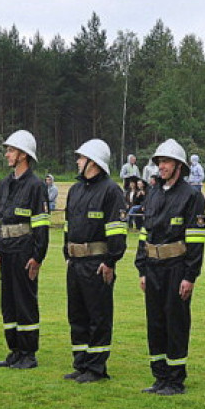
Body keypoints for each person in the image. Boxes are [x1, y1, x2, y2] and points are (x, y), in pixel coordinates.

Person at [135, 138, 205, 395]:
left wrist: (190, 276)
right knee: (155, 322)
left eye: (165, 162)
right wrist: (141, 268)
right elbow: (145, 232)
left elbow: (196, 241)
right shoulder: (153, 193)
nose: (160, 166)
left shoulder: (192, 197)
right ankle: (160, 376)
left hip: (177, 268)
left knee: (175, 321)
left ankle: (175, 379)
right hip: (153, 267)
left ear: (178, 166)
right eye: (158, 162)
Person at [62, 139, 127, 383]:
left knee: (98, 315)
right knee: (77, 315)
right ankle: (81, 363)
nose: (77, 161)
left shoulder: (111, 191)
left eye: (81, 157)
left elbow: (117, 231)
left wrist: (110, 261)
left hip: (98, 263)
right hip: (76, 263)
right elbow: (68, 226)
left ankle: (96, 368)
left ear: (93, 162)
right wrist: (67, 255)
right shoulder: (75, 190)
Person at [0, 130, 50, 370]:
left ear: (24, 155)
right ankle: (14, 350)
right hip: (5, 252)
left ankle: (28, 353)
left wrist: (37, 257)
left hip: (25, 253)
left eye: (11, 150)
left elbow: (41, 226)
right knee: (8, 303)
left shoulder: (36, 186)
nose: (7, 154)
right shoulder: (4, 184)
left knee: (25, 301)